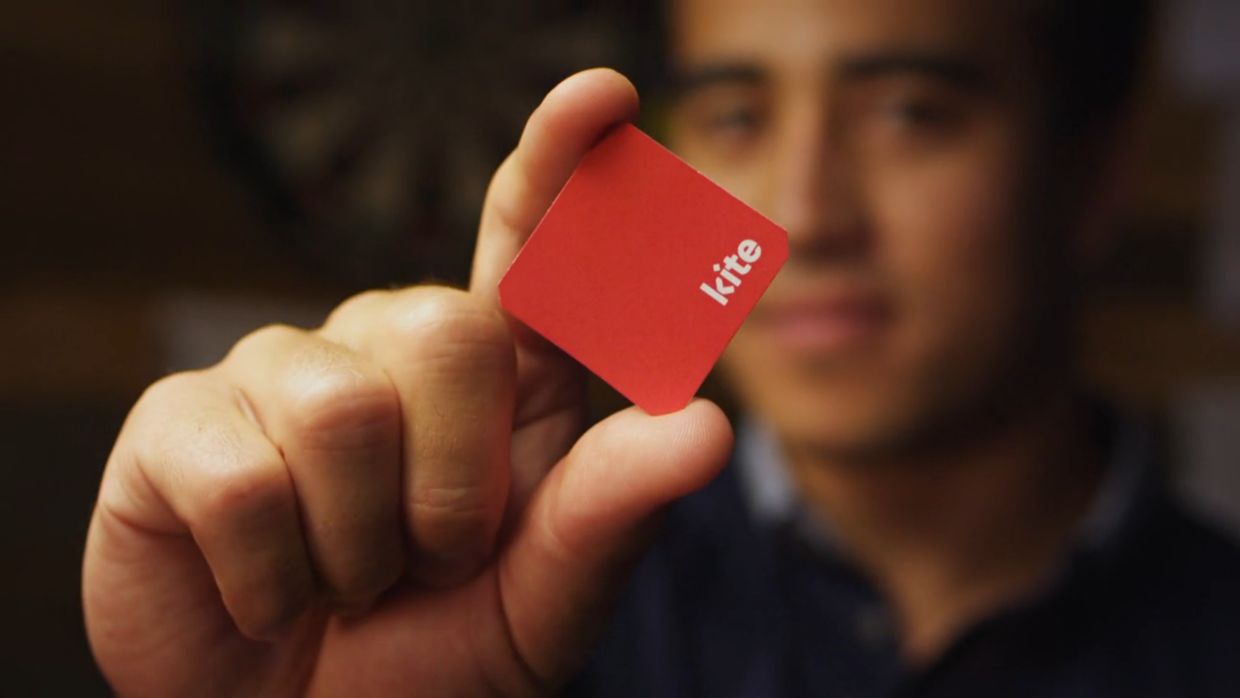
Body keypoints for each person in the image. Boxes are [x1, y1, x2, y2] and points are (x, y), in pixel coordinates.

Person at [83, 0, 1240, 695]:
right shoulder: (502, 605)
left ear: (1097, 173)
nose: (804, 214)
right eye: (735, 116)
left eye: (909, 113)